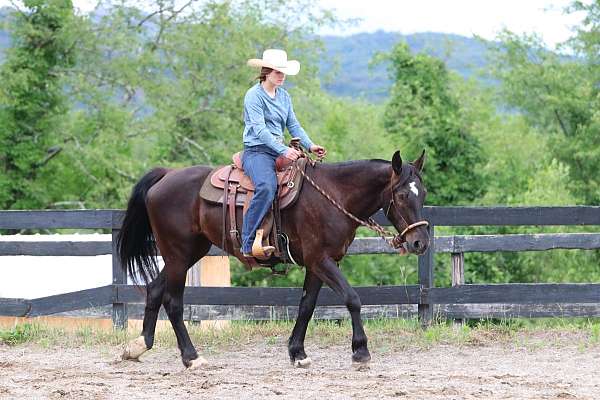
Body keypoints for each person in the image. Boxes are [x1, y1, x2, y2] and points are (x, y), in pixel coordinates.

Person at [241, 49, 326, 258]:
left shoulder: (284, 96)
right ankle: (247, 242)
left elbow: (293, 125)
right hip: (257, 151)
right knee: (266, 186)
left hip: (281, 151)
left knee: (308, 185)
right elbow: (260, 131)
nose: (282, 76)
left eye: (283, 72)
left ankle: (287, 237)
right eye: (278, 72)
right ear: (267, 72)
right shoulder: (254, 96)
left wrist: (310, 145)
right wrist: (284, 150)